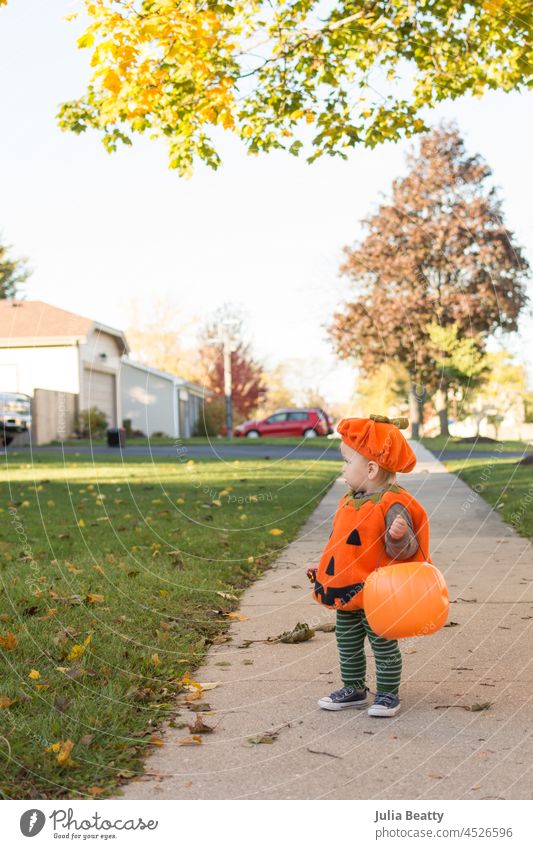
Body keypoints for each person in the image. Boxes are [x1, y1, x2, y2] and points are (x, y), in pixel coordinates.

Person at [307, 414, 431, 717]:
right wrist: (324, 568)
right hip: (347, 593)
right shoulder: (350, 500)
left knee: (384, 646)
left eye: (347, 462)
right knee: (346, 643)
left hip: (379, 596)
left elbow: (405, 552)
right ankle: (354, 688)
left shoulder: (392, 504)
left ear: (372, 469)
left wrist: (398, 537)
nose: (343, 468)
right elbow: (340, 544)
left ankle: (388, 693)